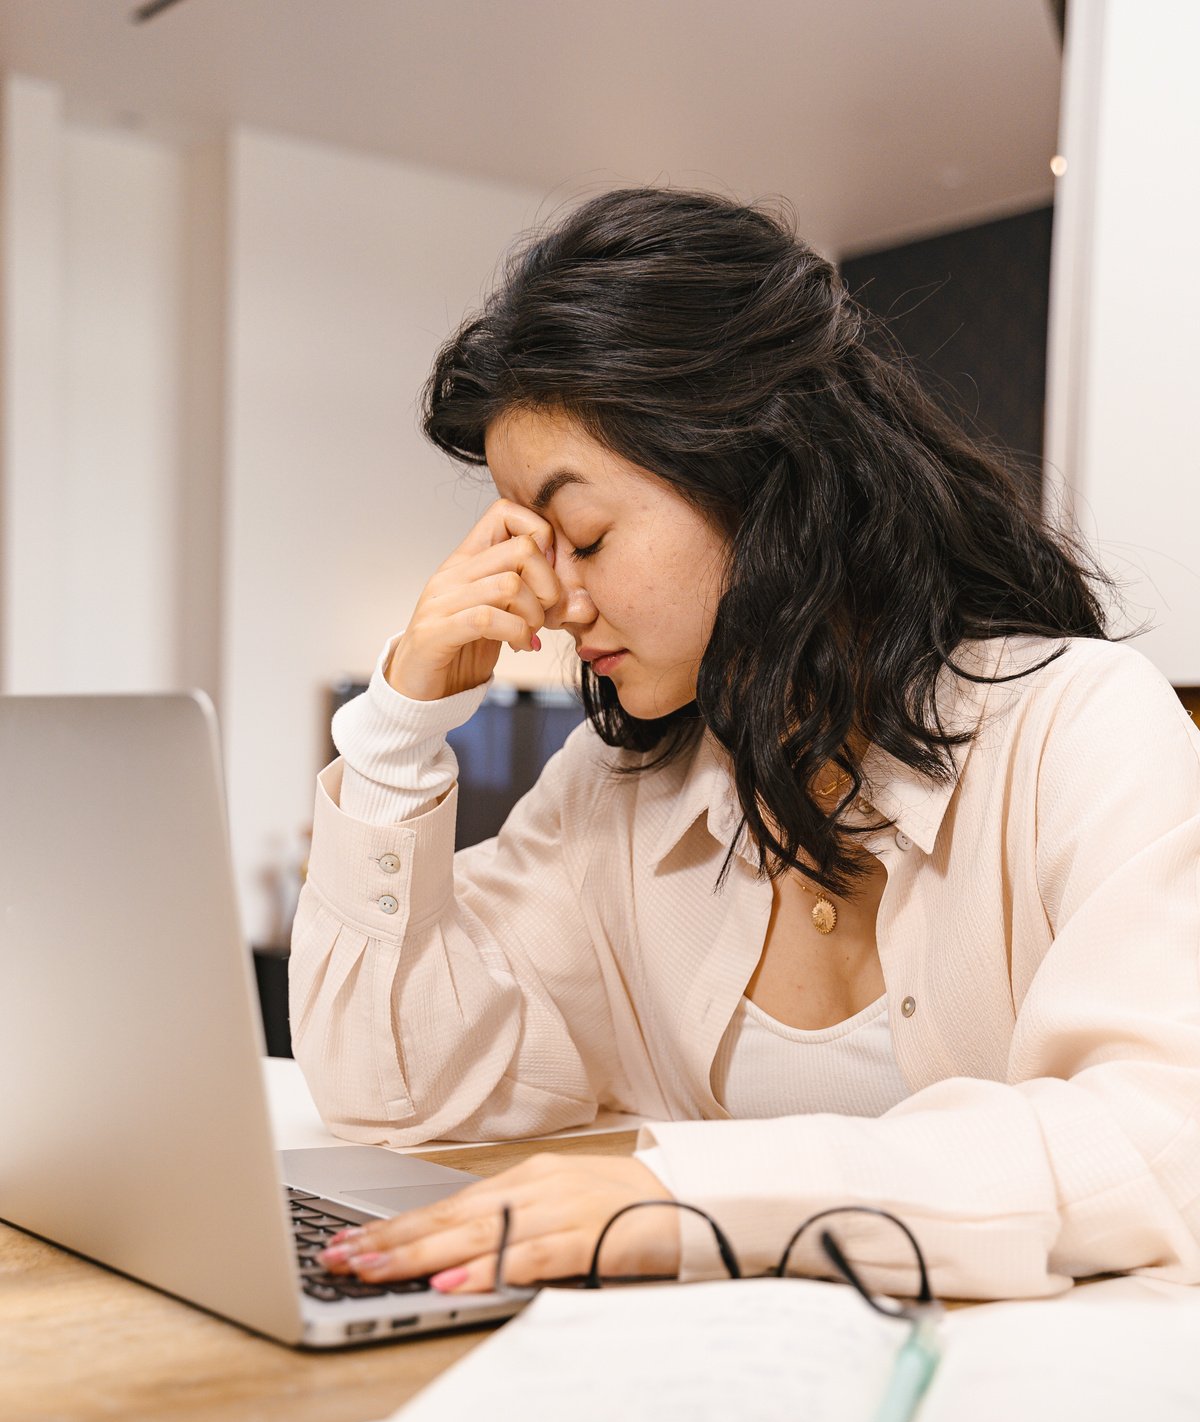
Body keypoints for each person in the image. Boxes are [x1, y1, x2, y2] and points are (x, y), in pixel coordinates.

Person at [289, 187, 1200, 1302]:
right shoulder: (611, 795)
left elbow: (1164, 1148)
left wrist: (690, 1200)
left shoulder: (1082, 726)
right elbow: (394, 1092)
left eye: (581, 536)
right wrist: (396, 729)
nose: (549, 603)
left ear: (766, 474)